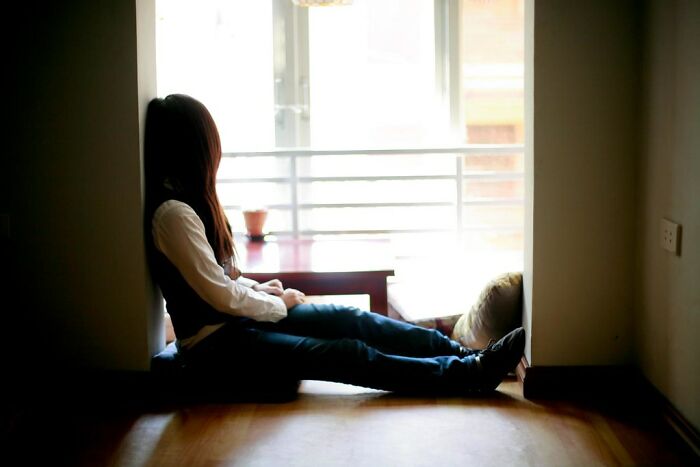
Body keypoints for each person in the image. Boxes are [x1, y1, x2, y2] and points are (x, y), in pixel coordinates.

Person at [144, 93, 525, 395]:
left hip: (234, 323)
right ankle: (466, 374)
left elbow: (219, 279)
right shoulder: (174, 214)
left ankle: (466, 354)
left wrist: (258, 289)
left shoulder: (191, 203)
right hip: (213, 346)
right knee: (344, 353)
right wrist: (277, 304)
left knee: (348, 317)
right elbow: (217, 294)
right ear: (195, 148)